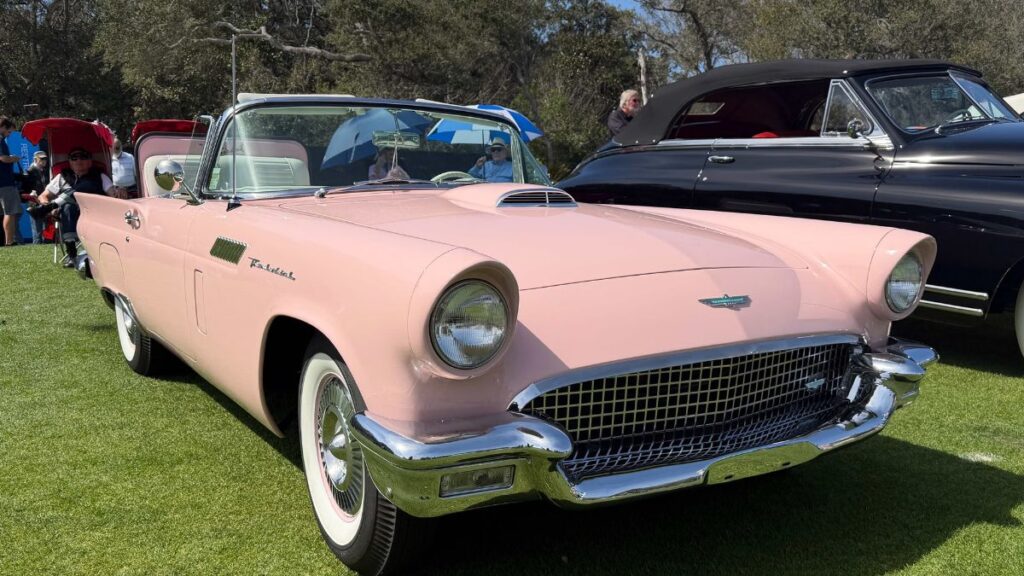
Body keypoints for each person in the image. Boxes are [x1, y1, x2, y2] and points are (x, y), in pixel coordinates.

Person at [27, 147, 116, 266]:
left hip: (95, 213)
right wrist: (47, 205)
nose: (79, 160)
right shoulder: (62, 176)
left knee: (84, 186)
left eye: (83, 157)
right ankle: (72, 254)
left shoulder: (99, 176)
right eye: (74, 158)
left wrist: (119, 192)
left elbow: (113, 194)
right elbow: (43, 196)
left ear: (90, 161)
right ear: (69, 161)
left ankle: (47, 208)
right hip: (69, 214)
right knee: (68, 207)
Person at [0, 116, 22, 246]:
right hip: (5, 183)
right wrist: (14, 158)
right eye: (9, 132)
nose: (9, 135)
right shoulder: (0, 139)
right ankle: (9, 242)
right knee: (11, 212)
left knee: (7, 213)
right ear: (3, 127)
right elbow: (3, 158)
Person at [22, 151, 50, 244]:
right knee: (37, 226)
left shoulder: (45, 171)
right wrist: (31, 195)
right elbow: (25, 188)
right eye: (41, 159)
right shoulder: (29, 171)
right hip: (34, 201)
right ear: (35, 159)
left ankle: (46, 242)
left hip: (44, 200)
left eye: (45, 159)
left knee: (46, 224)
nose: (44, 160)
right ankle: (37, 243)